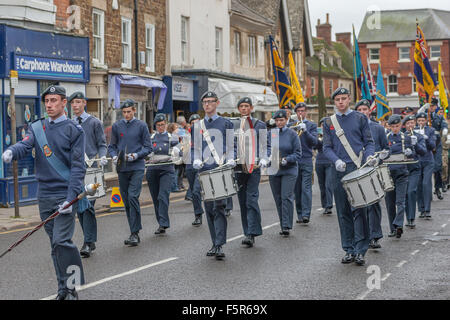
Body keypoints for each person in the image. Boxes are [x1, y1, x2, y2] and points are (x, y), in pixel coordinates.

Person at [2, 85, 86, 299]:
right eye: (47, 101)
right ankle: (62, 289)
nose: (49, 105)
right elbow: (26, 144)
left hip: (65, 195)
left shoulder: (74, 130)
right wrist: (12, 151)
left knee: (62, 242)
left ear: (64, 103)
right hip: (45, 195)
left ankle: (72, 288)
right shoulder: (37, 127)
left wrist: (70, 199)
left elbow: (78, 167)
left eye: (54, 100)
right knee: (55, 245)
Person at [323, 88, 376, 266]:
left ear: (349, 99)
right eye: (337, 99)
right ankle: (349, 249)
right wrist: (335, 160)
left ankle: (361, 250)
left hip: (357, 167)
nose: (341, 102)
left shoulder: (360, 118)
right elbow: (326, 147)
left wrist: (369, 156)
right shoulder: (329, 121)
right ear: (334, 101)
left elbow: (369, 142)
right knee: (343, 211)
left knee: (359, 210)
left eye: (344, 98)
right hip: (338, 170)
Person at [192, 91, 236, 260]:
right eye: (205, 102)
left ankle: (219, 243)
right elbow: (196, 148)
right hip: (203, 172)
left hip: (220, 169)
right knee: (209, 208)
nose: (207, 105)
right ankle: (214, 242)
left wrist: (231, 158)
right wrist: (195, 159)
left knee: (219, 207)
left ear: (217, 103)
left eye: (211, 101)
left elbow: (232, 145)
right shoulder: (198, 126)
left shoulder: (226, 123)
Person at [108, 99, 152, 246]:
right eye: (124, 112)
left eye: (129, 112)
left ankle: (135, 233)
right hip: (122, 168)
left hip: (137, 166)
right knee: (126, 201)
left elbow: (148, 147)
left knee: (133, 197)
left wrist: (136, 155)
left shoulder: (141, 125)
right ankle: (133, 231)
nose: (126, 114)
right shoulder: (116, 126)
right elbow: (112, 146)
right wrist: (114, 156)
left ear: (134, 110)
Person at [69, 91, 108, 258]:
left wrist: (103, 155)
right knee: (80, 208)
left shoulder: (94, 122)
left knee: (89, 206)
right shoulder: (69, 124)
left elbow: (101, 143)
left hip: (92, 169)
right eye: (73, 103)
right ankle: (89, 240)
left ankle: (87, 242)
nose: (75, 105)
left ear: (84, 103)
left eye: (78, 102)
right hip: (76, 171)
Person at [234, 97, 270, 247]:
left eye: (246, 106)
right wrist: (229, 157)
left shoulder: (259, 125)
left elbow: (266, 145)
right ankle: (247, 231)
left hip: (253, 167)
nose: (244, 108)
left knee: (251, 199)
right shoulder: (233, 124)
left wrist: (264, 158)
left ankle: (252, 233)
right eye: (241, 106)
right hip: (238, 167)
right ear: (238, 108)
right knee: (242, 201)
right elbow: (230, 145)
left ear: (251, 108)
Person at [355, 99, 389, 248]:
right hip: (357, 169)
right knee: (360, 205)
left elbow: (386, 149)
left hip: (374, 169)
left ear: (370, 111)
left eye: (365, 109)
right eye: (360, 110)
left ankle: (374, 236)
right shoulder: (352, 129)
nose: (363, 112)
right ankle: (362, 236)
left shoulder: (378, 128)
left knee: (374, 203)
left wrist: (381, 157)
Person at [268, 109, 302, 237]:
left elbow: (298, 153)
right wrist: (266, 158)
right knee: (278, 198)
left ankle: (287, 226)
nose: (279, 123)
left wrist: (287, 159)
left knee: (286, 196)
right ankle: (283, 224)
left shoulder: (292, 134)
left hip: (289, 169)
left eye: (281, 120)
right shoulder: (271, 133)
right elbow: (266, 149)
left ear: (286, 120)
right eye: (277, 121)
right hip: (274, 169)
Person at [146, 114, 181, 235]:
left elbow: (180, 151)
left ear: (166, 124)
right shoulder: (151, 138)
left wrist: (178, 151)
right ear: (155, 126)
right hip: (152, 170)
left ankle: (163, 223)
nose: (161, 127)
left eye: (163, 124)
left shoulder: (172, 137)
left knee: (163, 196)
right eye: (159, 125)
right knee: (156, 198)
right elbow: (146, 152)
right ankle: (160, 222)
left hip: (166, 169)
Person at [384, 115, 415, 239]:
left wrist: (410, 151)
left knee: (400, 202)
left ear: (401, 126)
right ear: (389, 127)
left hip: (402, 173)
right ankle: (393, 228)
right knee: (390, 203)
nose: (395, 129)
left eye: (397, 126)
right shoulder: (385, 138)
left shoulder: (405, 138)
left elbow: (412, 152)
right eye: (392, 126)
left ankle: (399, 225)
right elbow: (380, 153)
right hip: (388, 174)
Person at [291, 102, 318, 224]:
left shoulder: (311, 125)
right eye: (298, 111)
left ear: (305, 112)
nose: (300, 113)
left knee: (306, 188)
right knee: (297, 190)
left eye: (302, 111)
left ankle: (306, 214)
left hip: (306, 160)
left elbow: (314, 142)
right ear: (296, 113)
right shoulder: (292, 125)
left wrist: (305, 131)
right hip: (295, 161)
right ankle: (300, 214)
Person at [402, 115, 426, 229]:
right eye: (408, 123)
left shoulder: (419, 136)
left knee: (411, 191)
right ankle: (408, 217)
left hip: (415, 168)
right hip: (403, 168)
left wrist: (416, 144)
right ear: (405, 125)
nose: (410, 125)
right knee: (405, 193)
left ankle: (411, 218)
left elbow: (423, 152)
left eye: (412, 123)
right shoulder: (401, 136)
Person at [185, 114, 204, 225]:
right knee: (193, 191)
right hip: (189, 166)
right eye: (193, 123)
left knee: (197, 191)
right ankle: (198, 215)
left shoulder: (204, 134)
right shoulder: (185, 135)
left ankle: (199, 214)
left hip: (202, 166)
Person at [415, 112, 436, 219]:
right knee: (418, 184)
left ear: (426, 121)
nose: (421, 122)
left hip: (428, 160)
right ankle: (421, 209)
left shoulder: (431, 130)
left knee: (425, 183)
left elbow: (433, 146)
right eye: (419, 121)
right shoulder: (413, 130)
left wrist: (426, 138)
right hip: (418, 160)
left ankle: (427, 209)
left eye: (423, 120)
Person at [429, 98, 448, 200]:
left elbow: (444, 125)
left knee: (437, 166)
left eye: (432, 106)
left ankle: (438, 188)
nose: (431, 108)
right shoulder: (425, 116)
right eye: (430, 106)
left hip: (437, 143)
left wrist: (444, 130)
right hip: (426, 145)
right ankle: (427, 190)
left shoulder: (439, 117)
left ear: (436, 106)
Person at [315, 118, 334, 215]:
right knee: (322, 185)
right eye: (322, 125)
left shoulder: (332, 134)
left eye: (325, 125)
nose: (323, 126)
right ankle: (324, 205)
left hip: (330, 162)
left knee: (328, 185)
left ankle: (329, 205)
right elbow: (315, 146)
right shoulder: (318, 135)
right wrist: (317, 138)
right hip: (319, 162)